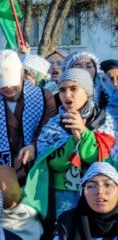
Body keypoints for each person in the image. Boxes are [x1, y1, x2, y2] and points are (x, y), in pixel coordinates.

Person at [24, 68, 115, 225]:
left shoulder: (106, 122)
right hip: (63, 196)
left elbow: (102, 163)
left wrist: (83, 133)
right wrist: (73, 141)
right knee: (65, 237)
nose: (67, 95)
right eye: (62, 90)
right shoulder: (54, 124)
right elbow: (53, 163)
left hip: (97, 194)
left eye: (74, 89)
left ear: (87, 92)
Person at [0, 50, 57, 186]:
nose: (7, 88)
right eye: (2, 84)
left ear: (21, 73)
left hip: (37, 173)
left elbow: (50, 132)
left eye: (11, 82)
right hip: (0, 175)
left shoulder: (44, 97)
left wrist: (34, 146)